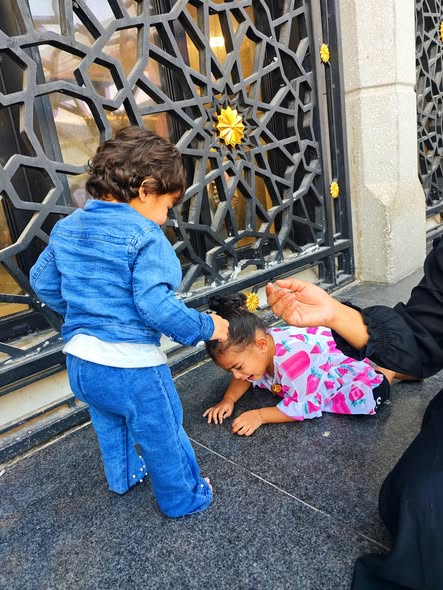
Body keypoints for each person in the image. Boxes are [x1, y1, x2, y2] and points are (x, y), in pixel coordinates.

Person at [30, 126, 229, 518]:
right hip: (132, 367)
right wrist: (208, 327)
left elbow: (42, 281)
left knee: (110, 424)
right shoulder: (145, 236)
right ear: (146, 189)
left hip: (81, 363)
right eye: (168, 205)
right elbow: (156, 306)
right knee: (163, 433)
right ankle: (184, 498)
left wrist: (84, 309)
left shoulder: (67, 227)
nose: (166, 217)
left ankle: (123, 477)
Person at [266, 236, 443, 590]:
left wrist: (260, 415)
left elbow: (303, 406)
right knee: (417, 502)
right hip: (367, 376)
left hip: (366, 394)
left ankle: (390, 373)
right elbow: (424, 337)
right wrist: (334, 313)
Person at [203, 293, 391, 436]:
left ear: (261, 345)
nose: (236, 375)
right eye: (230, 371)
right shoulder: (259, 347)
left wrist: (260, 415)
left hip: (343, 367)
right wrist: (229, 399)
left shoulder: (294, 361)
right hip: (314, 365)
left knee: (367, 397)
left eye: (237, 367)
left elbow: (303, 406)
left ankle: (389, 369)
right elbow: (244, 377)